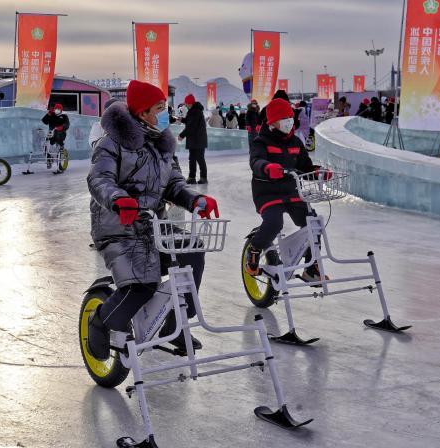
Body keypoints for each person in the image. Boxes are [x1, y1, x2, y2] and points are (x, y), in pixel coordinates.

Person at [86, 80, 220, 360]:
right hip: (117, 227)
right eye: (159, 108)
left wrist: (194, 199)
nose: (165, 113)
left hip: (151, 225)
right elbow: (99, 178)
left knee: (191, 248)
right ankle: (100, 320)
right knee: (142, 284)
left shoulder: (162, 144)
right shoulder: (111, 144)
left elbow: (174, 184)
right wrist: (118, 199)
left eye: (165, 107)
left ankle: (176, 320)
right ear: (143, 112)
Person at [246, 98, 328, 283]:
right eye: (284, 117)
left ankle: (311, 267)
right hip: (267, 192)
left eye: (290, 116)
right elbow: (256, 162)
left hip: (291, 192)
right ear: (272, 121)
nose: (289, 121)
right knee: (274, 223)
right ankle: (254, 248)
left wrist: (318, 172)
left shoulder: (296, 142)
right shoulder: (261, 141)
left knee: (312, 223)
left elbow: (305, 167)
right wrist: (267, 168)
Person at [178, 94, 208, 184]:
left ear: (190, 103)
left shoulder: (196, 112)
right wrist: (182, 120)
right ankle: (192, 177)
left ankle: (203, 177)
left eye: (186, 103)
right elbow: (189, 121)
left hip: (198, 140)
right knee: (192, 158)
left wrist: (182, 135)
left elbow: (191, 126)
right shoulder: (193, 111)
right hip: (194, 140)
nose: (185, 105)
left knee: (199, 158)